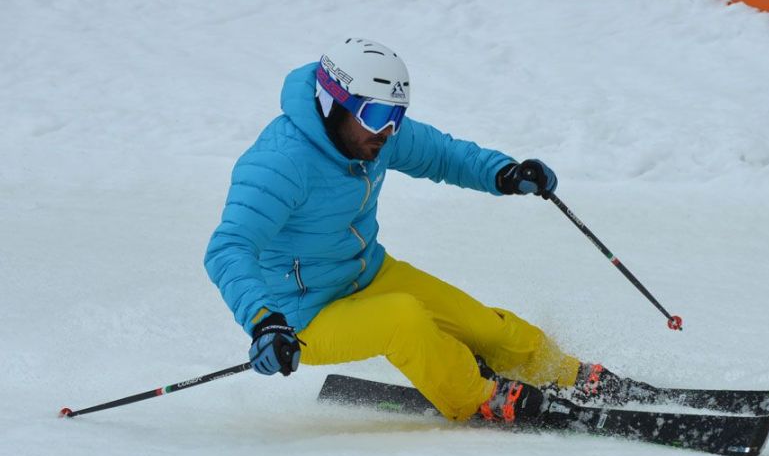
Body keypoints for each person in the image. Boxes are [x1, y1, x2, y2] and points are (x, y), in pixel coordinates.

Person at [205, 38, 622, 425]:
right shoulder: (280, 162)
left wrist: (505, 173)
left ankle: (565, 373)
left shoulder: (370, 139)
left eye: (397, 116)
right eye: (377, 115)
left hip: (369, 274)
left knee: (486, 327)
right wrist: (265, 322)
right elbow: (228, 248)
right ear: (333, 103)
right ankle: (478, 396)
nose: (388, 130)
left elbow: (441, 154)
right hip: (303, 315)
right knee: (403, 318)